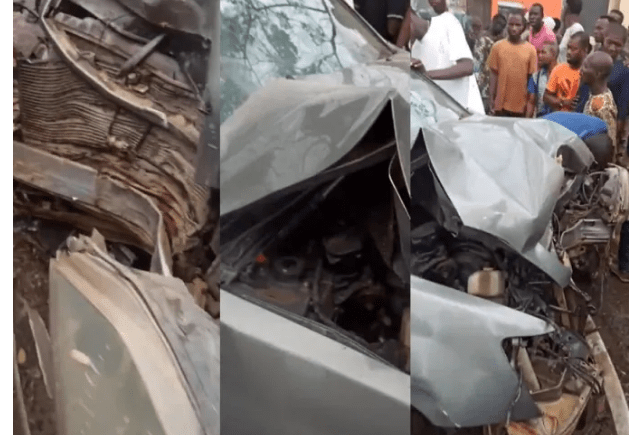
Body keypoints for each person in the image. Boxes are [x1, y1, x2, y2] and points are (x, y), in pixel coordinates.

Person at [410, 0, 484, 114]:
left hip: (463, 114)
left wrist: (425, 75)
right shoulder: (414, 47)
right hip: (439, 118)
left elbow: (467, 66)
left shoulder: (448, 23)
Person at [574, 21, 628, 147]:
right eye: (610, 42)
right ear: (604, 39)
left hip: (603, 126)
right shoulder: (592, 60)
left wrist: (615, 138)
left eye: (618, 45)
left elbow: (622, 108)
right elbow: (582, 89)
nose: (613, 48)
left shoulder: (624, 71)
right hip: (584, 116)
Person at [487, 12, 537, 116]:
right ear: (507, 26)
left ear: (524, 27)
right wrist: (491, 98)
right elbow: (494, 75)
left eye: (518, 25)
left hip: (520, 107)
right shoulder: (497, 47)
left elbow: (531, 79)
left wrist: (529, 107)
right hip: (500, 106)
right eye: (511, 24)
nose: (514, 28)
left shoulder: (531, 50)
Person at [580, 51, 618, 154]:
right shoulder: (594, 94)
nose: (581, 70)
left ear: (598, 73)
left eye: (586, 66)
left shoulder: (603, 107)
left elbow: (609, 143)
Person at [543, 31, 589, 112]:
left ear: (585, 50)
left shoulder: (589, 72)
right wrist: (563, 102)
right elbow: (546, 97)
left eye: (574, 49)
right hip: (559, 119)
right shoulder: (559, 69)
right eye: (568, 48)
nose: (568, 52)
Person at [473, 13, 507, 113]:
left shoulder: (501, 42)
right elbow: (476, 63)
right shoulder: (483, 40)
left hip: (494, 87)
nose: (499, 26)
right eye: (498, 23)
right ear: (492, 22)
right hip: (483, 86)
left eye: (502, 25)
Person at [525, 41, 558, 117]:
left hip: (558, 122)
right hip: (542, 120)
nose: (539, 56)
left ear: (553, 55)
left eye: (543, 53)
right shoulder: (536, 77)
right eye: (539, 53)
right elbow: (531, 102)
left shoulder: (564, 75)